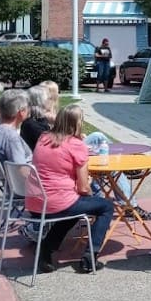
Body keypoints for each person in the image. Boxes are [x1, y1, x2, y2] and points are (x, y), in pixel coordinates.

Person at [28, 105, 115, 274]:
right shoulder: (77, 145)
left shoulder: (43, 138)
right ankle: (90, 256)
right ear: (77, 123)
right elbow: (83, 188)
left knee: (72, 209)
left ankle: (46, 249)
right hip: (58, 203)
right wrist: (90, 192)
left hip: (35, 203)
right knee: (106, 206)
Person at [0, 89, 32, 167]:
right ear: (21, 112)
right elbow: (21, 169)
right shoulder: (11, 138)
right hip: (25, 178)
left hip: (9, 177)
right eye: (28, 107)